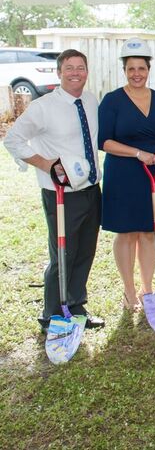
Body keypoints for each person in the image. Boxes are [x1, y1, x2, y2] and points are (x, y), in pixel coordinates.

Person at [4, 49, 105, 332]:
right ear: (59, 72)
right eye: (69, 67)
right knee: (63, 253)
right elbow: (13, 140)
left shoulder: (91, 100)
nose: (76, 72)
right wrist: (45, 163)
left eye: (81, 67)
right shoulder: (44, 107)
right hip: (60, 194)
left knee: (86, 250)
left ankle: (75, 306)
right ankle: (52, 314)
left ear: (87, 71)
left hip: (90, 189)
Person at [98, 38, 155, 312]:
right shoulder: (112, 101)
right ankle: (129, 292)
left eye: (141, 68)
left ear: (148, 69)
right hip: (124, 174)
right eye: (131, 68)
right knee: (126, 233)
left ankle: (147, 290)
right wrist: (137, 153)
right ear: (124, 70)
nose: (136, 74)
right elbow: (104, 141)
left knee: (148, 232)